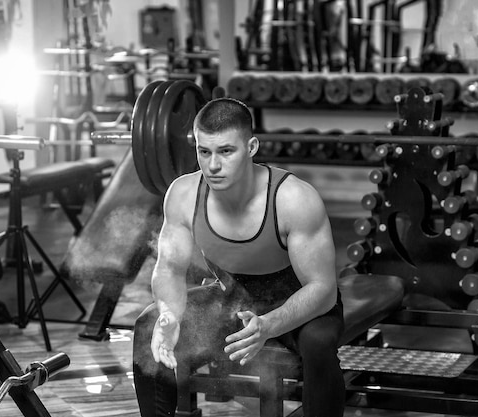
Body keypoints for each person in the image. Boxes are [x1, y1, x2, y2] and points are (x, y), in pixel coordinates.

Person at [132, 97, 345, 417]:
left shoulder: (292, 198)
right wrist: (170, 313)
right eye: (204, 152)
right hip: (232, 298)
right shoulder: (183, 194)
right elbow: (170, 269)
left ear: (252, 146)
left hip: (299, 302)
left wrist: (269, 325)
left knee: (318, 344)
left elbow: (322, 289)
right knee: (150, 325)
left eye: (226, 151)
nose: (212, 165)